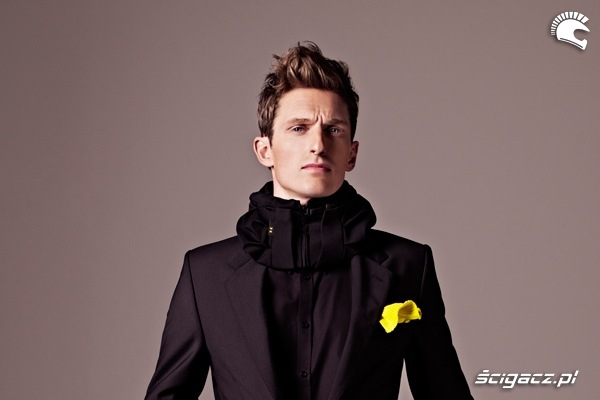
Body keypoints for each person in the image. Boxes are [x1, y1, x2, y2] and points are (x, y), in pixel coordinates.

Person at [145, 42, 473, 400]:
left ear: (352, 154)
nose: (318, 144)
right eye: (299, 128)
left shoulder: (408, 265)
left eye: (333, 129)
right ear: (265, 150)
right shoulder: (204, 274)